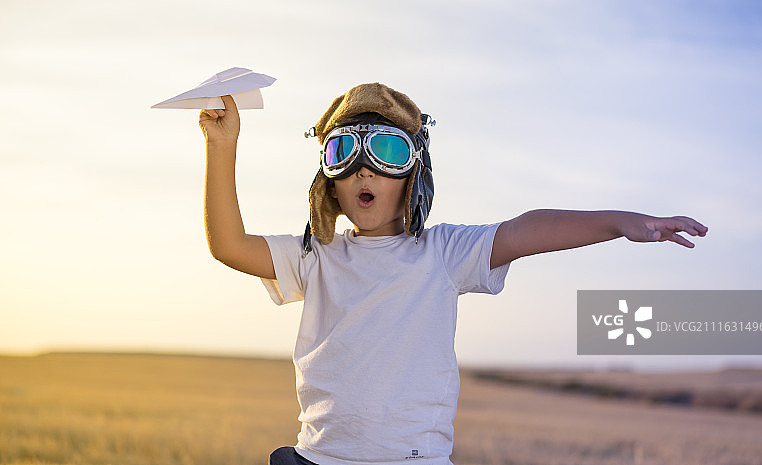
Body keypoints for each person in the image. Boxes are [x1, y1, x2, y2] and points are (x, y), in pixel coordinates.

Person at [199, 84, 707, 465]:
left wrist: (618, 223)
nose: (364, 170)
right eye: (342, 154)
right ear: (328, 182)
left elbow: (525, 229)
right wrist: (221, 148)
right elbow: (230, 246)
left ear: (415, 173)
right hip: (319, 457)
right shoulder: (317, 255)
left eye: (388, 151)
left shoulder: (441, 253)